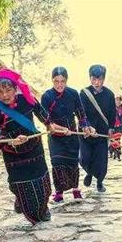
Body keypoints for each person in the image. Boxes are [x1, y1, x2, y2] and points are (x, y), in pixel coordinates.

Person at [0, 68, 52, 225]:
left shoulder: (28, 99)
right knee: (19, 186)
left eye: (8, 90)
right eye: (0, 91)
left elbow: (41, 113)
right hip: (13, 155)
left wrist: (49, 124)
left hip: (35, 149)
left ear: (15, 89)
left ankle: (43, 208)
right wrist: (9, 141)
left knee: (42, 182)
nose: (5, 95)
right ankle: (27, 208)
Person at [41, 66, 91, 203]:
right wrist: (61, 129)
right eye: (56, 81)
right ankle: (59, 193)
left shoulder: (73, 94)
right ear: (52, 80)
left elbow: (81, 113)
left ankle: (76, 190)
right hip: (55, 137)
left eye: (62, 81)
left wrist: (85, 127)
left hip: (72, 135)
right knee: (57, 163)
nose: (59, 84)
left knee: (72, 163)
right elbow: (47, 122)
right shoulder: (46, 96)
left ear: (66, 80)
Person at [79, 64, 116, 192]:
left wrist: (111, 128)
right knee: (85, 158)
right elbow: (81, 113)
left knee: (101, 161)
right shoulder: (83, 94)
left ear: (104, 79)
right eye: (94, 79)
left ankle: (100, 182)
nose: (96, 82)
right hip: (86, 133)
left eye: (99, 79)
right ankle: (89, 172)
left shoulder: (110, 95)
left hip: (101, 134)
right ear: (90, 78)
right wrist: (87, 127)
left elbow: (112, 113)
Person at [110, 95, 122, 161]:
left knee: (117, 140)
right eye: (116, 100)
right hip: (112, 127)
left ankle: (118, 154)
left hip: (119, 127)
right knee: (112, 141)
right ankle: (112, 151)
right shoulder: (111, 107)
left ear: (121, 101)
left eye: (119, 100)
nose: (117, 102)